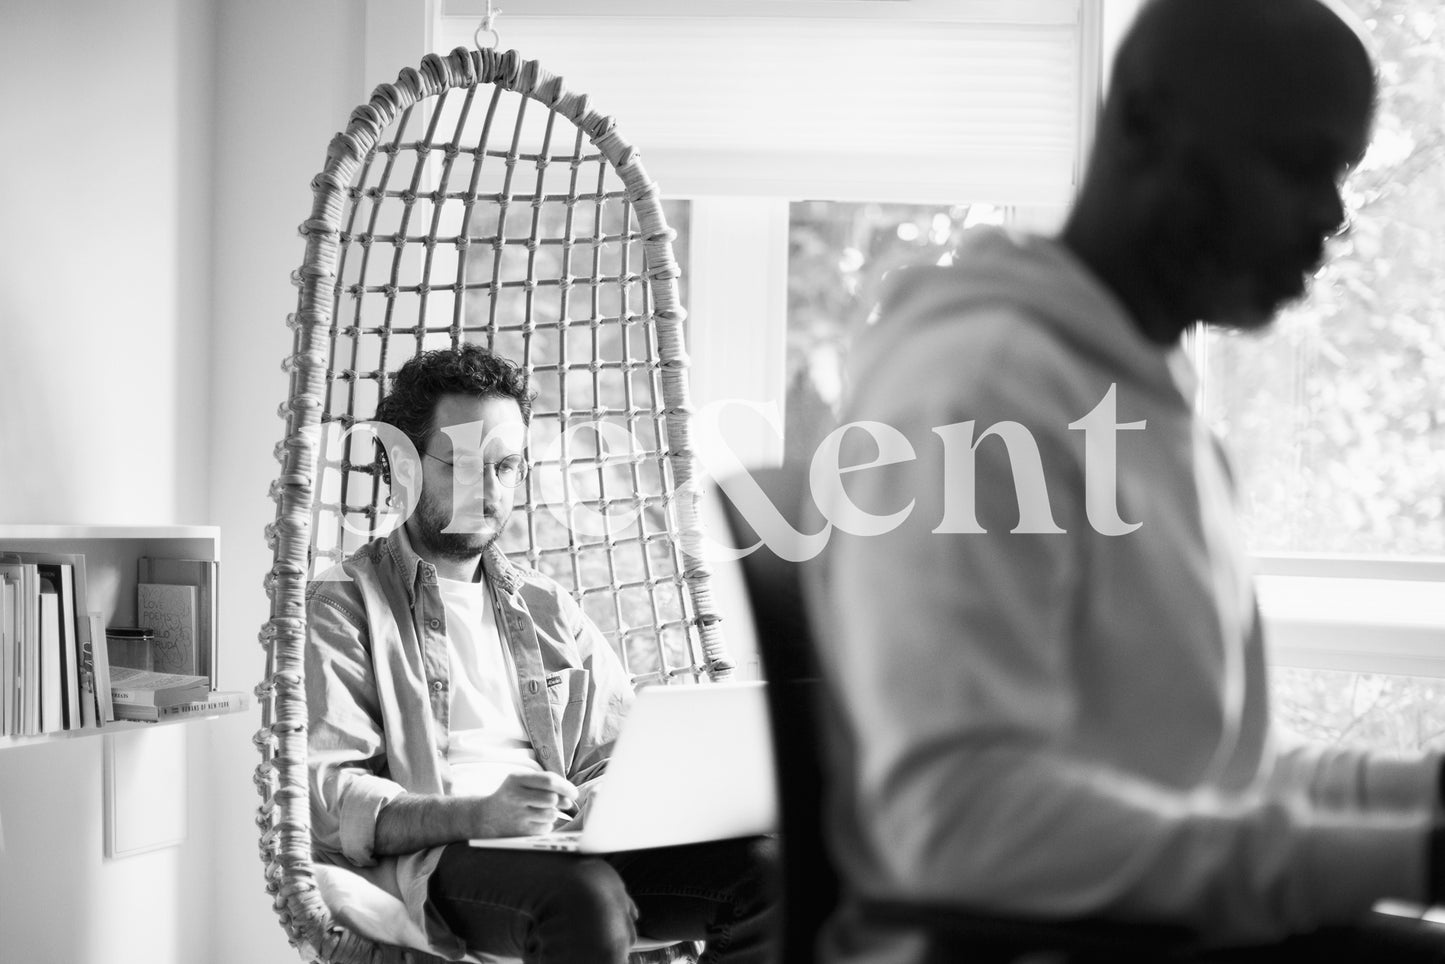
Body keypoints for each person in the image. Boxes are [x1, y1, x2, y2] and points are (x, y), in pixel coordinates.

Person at [804, 0, 1445, 960]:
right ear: (1144, 124)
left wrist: (1422, 800)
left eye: (1341, 176)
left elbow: (1198, 780)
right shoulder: (978, 395)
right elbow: (961, 820)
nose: (1331, 218)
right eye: (1297, 165)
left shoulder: (1138, 406)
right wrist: (1414, 860)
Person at [305, 344, 777, 963]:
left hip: (564, 846)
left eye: (505, 466)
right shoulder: (342, 605)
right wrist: (479, 815)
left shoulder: (548, 606)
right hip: (442, 861)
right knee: (587, 896)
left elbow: (614, 751)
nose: (487, 490)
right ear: (402, 466)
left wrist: (612, 799)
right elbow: (331, 798)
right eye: (463, 464)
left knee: (770, 871)